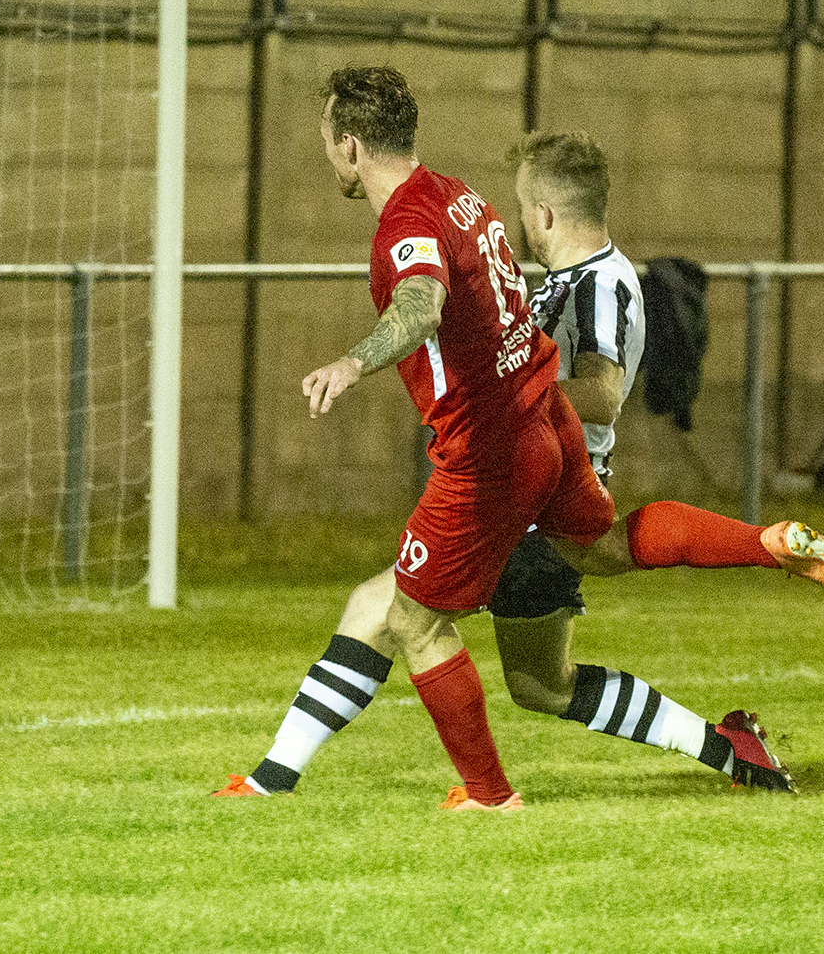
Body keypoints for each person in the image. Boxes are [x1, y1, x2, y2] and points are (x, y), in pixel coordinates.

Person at [213, 128, 824, 803]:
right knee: (545, 678)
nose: (520, 223)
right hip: (548, 477)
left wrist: (505, 392)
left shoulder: (601, 284)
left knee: (389, 611)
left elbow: (605, 395)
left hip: (526, 485)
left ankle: (317, 782)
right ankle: (731, 738)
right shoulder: (568, 279)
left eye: (524, 210)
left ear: (545, 216)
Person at [216, 66, 618, 812]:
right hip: (534, 425)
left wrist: (351, 359)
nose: (328, 156)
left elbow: (421, 305)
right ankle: (272, 778)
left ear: (351, 145)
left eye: (327, 143)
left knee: (417, 621)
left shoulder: (405, 222)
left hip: (487, 456)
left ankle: (491, 796)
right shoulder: (457, 193)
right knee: (377, 602)